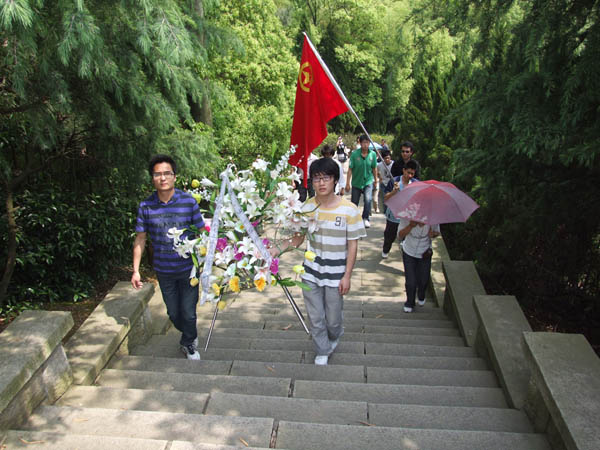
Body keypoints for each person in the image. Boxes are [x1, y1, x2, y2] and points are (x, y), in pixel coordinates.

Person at [270, 158, 366, 365]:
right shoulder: (307, 208)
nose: (321, 183)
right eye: (316, 178)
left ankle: (334, 334)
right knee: (315, 317)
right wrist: (274, 250)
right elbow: (297, 239)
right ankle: (322, 349)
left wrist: (347, 276)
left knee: (333, 319)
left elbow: (353, 245)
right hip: (311, 272)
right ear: (311, 182)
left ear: (335, 180)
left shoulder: (349, 210)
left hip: (336, 274)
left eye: (326, 178)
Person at [131, 154, 205, 360]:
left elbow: (202, 232)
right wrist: (135, 271)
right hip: (164, 271)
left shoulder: (188, 202)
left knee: (188, 312)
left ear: (174, 176)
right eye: (157, 174)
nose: (162, 178)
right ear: (152, 178)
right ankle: (190, 333)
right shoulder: (146, 206)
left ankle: (188, 343)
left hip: (189, 269)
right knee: (173, 314)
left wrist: (208, 256)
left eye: (167, 173)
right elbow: (140, 239)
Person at [397, 211, 440, 313]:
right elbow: (400, 235)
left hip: (424, 253)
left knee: (424, 279)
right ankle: (410, 302)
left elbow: (437, 232)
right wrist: (410, 226)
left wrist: (432, 234)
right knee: (410, 281)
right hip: (409, 251)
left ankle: (421, 294)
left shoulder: (433, 217)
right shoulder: (406, 216)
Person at [381, 160, 418, 258]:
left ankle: (405, 252)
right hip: (393, 216)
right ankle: (385, 250)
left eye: (412, 174)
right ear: (403, 170)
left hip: (407, 216)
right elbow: (385, 198)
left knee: (405, 237)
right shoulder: (395, 181)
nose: (410, 175)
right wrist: (394, 192)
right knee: (389, 236)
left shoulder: (415, 183)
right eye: (408, 172)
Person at [345, 135, 378, 228]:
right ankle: (353, 218)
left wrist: (376, 180)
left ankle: (365, 218)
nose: (366, 145)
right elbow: (350, 169)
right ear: (360, 143)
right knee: (354, 202)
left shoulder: (373, 154)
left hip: (368, 181)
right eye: (364, 142)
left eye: (367, 142)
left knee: (368, 200)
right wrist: (347, 183)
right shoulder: (355, 154)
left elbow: (374, 168)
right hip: (356, 182)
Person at [377, 149, 394, 215]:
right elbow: (376, 171)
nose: (387, 159)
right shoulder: (380, 165)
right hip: (383, 184)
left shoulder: (393, 164)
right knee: (385, 199)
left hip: (391, 184)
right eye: (385, 158)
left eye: (388, 158)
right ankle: (385, 212)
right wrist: (379, 177)